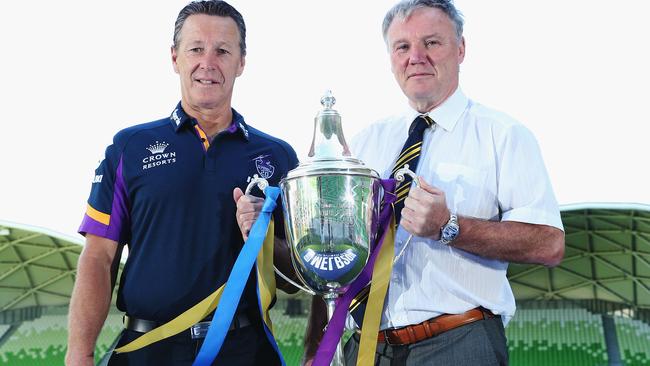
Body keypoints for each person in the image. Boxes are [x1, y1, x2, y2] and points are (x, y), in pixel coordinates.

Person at [304, 0, 565, 365]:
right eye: (403, 47)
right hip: (366, 347)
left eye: (432, 43)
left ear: (461, 49)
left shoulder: (503, 135)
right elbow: (334, 251)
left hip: (458, 342)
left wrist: (449, 226)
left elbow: (549, 244)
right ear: (391, 58)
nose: (416, 57)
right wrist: (317, 346)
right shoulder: (365, 143)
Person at [65, 1, 298, 365]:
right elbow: (98, 257)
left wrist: (263, 236)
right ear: (175, 58)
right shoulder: (130, 146)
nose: (208, 62)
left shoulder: (279, 156)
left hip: (245, 350)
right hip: (147, 349)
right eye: (195, 49)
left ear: (241, 62)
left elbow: (294, 276)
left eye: (223, 50)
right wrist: (78, 355)